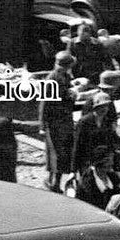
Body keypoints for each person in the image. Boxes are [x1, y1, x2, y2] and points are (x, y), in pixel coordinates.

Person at [39, 51, 77, 192]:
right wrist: (42, 125)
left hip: (64, 120)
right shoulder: (51, 79)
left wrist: (72, 93)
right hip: (54, 122)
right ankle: (52, 183)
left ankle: (55, 182)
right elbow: (44, 104)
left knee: (63, 153)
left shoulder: (65, 76)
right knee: (55, 154)